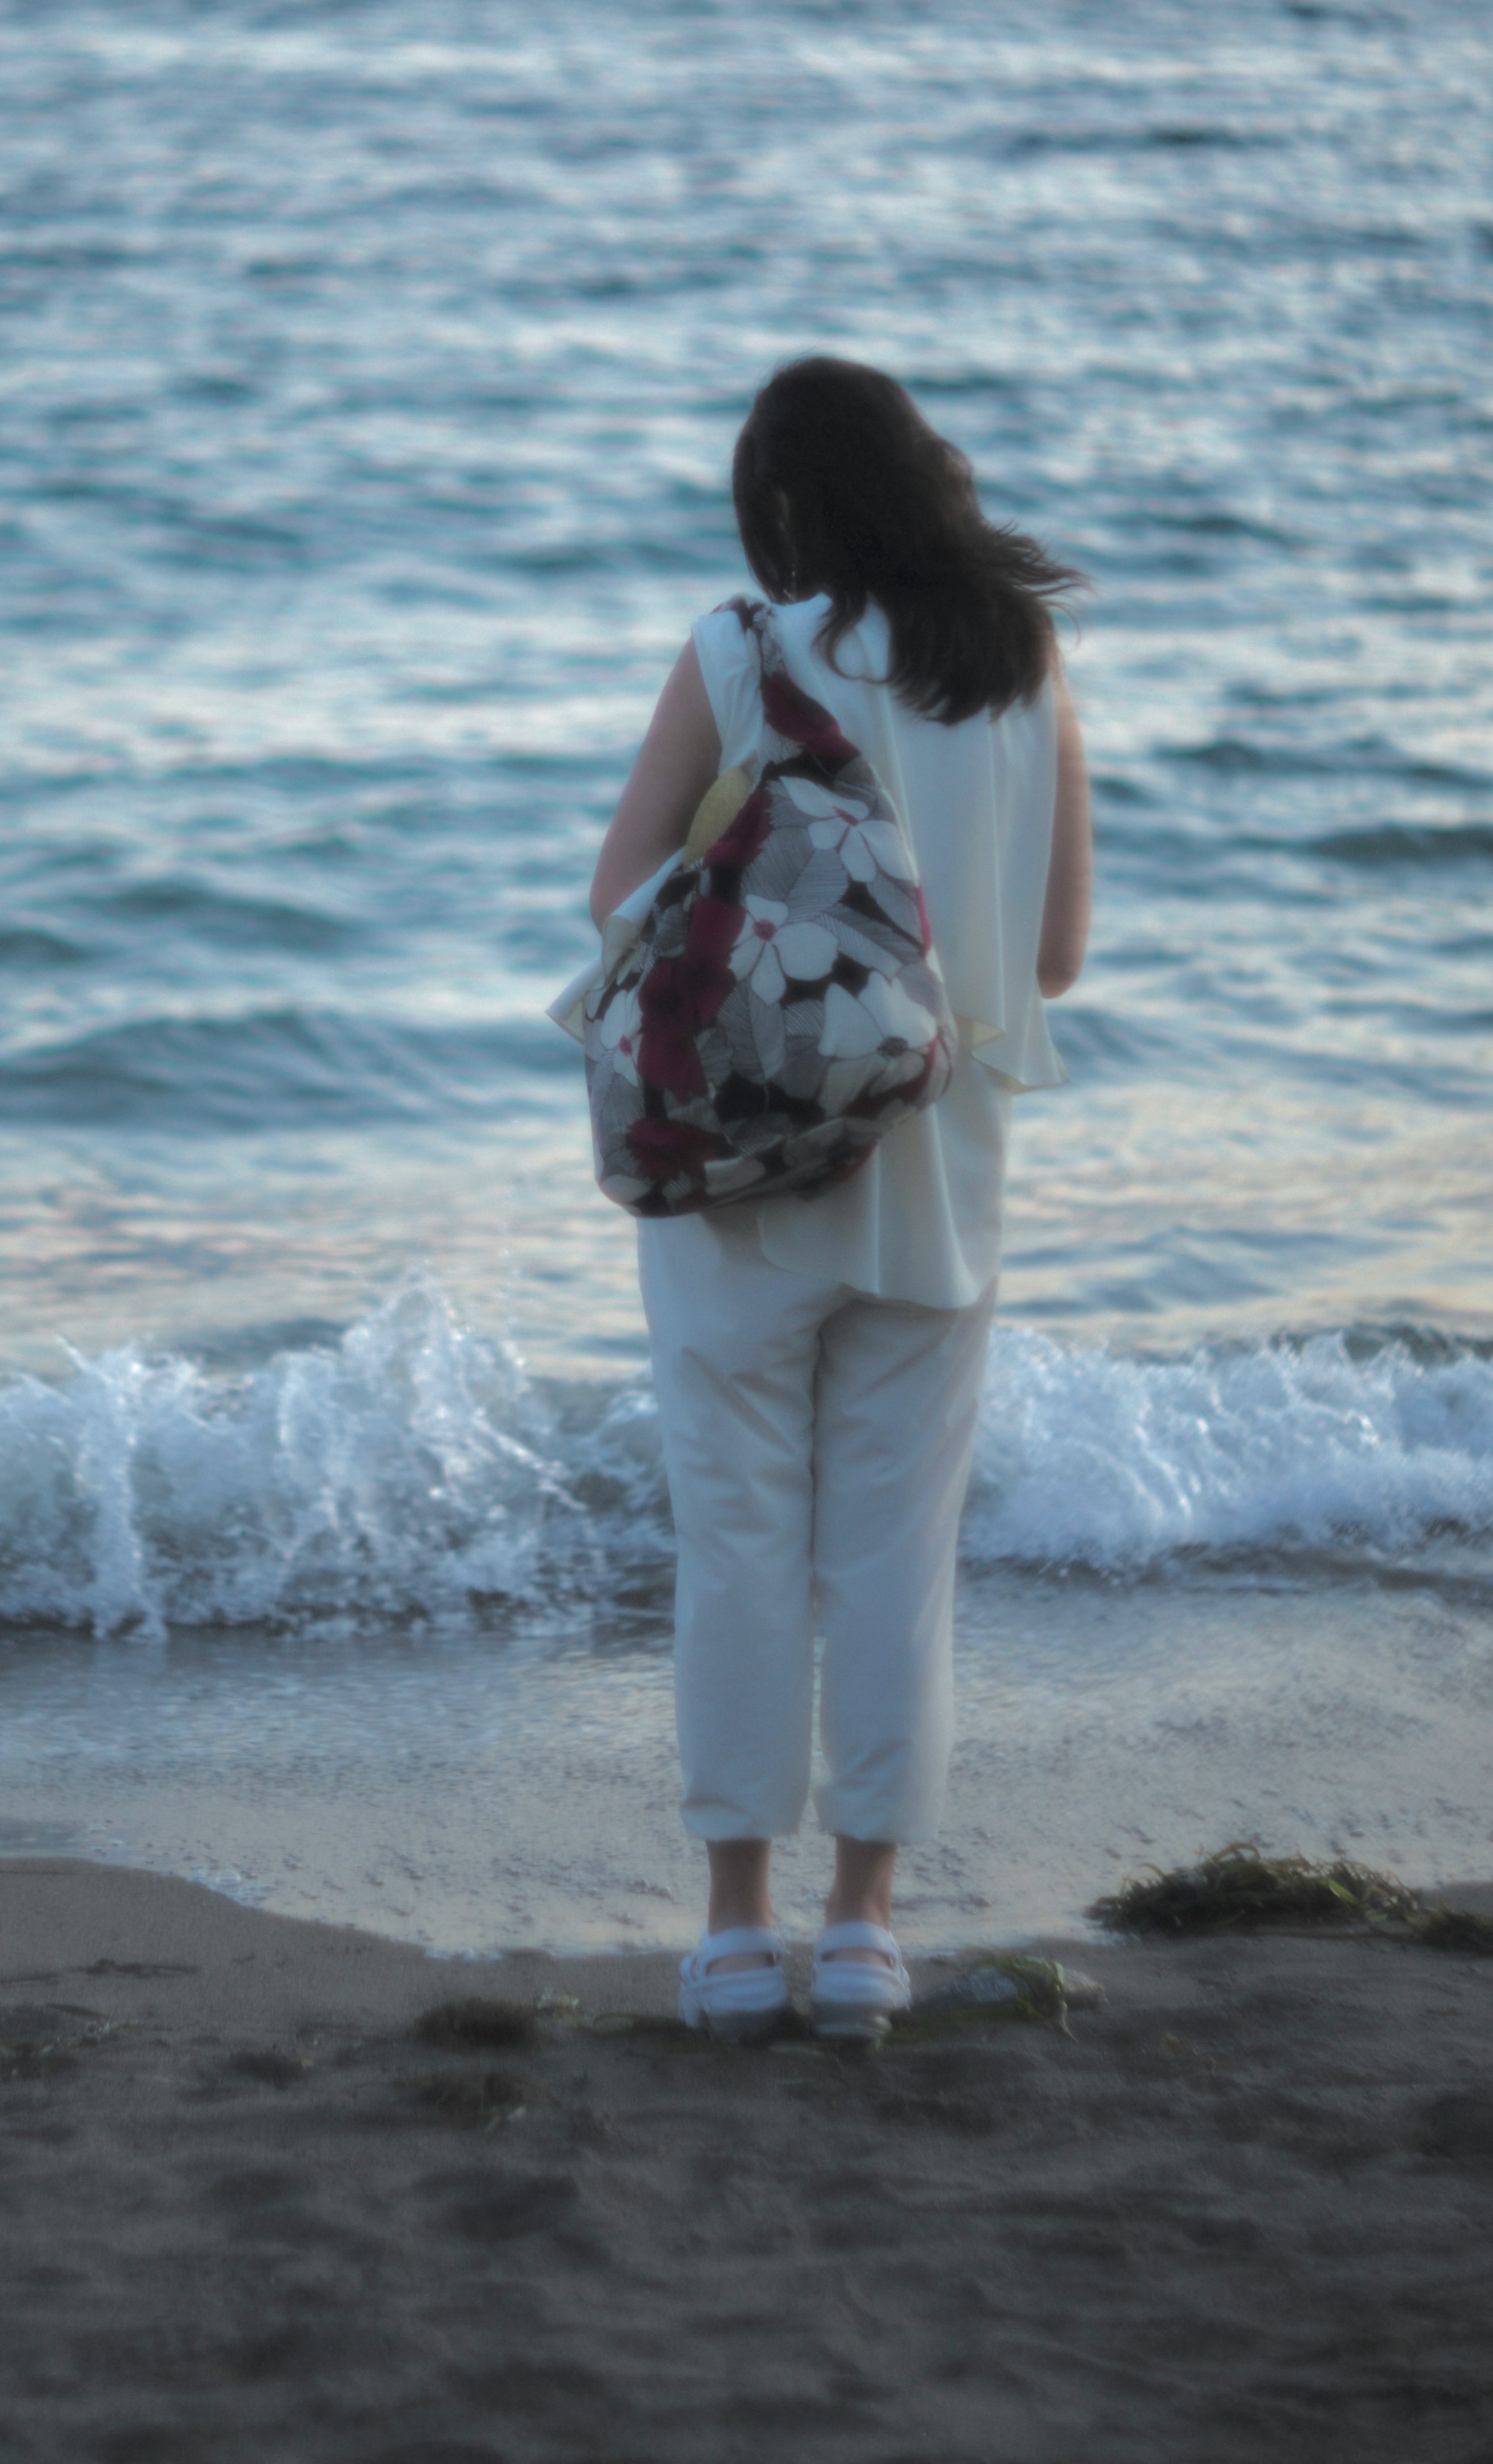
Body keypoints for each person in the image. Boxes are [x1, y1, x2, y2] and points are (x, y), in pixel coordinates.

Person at [589, 356, 1092, 2040]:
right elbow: (1057, 954)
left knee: (737, 1537)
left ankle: (736, 1936)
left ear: (784, 513)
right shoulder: (1021, 661)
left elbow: (620, 908)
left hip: (744, 1171)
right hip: (938, 1176)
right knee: (895, 1554)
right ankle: (865, 1929)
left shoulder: (741, 651)